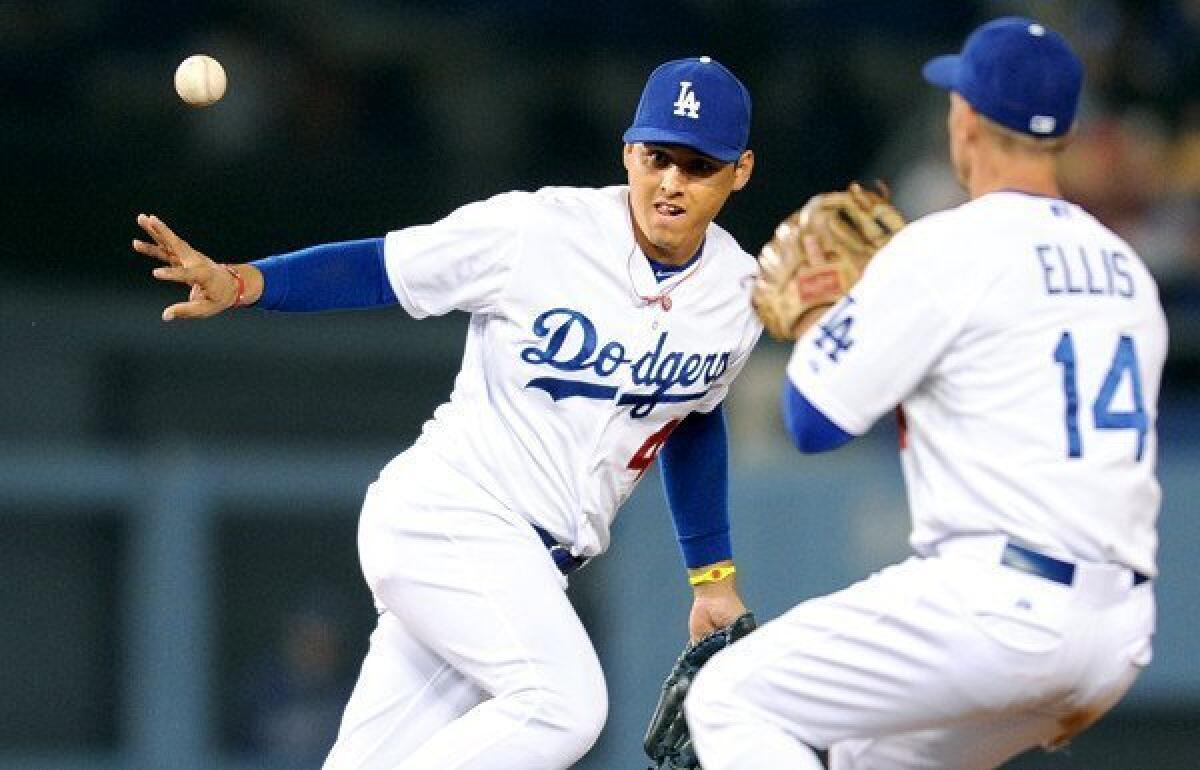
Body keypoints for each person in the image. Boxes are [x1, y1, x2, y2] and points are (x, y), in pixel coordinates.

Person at [134, 55, 761, 770]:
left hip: (526, 567)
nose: (672, 181)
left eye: (699, 165)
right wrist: (247, 283)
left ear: (739, 171)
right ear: (628, 152)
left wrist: (712, 576)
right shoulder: (536, 231)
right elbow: (386, 265)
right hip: (451, 516)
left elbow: (692, 416)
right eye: (658, 157)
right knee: (564, 704)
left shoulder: (738, 296)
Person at [686, 18, 1167, 770]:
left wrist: (826, 316)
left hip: (996, 604)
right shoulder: (1127, 270)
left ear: (965, 118)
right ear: (1065, 133)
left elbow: (810, 420)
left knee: (728, 696)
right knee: (863, 758)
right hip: (1119, 630)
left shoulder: (946, 246)